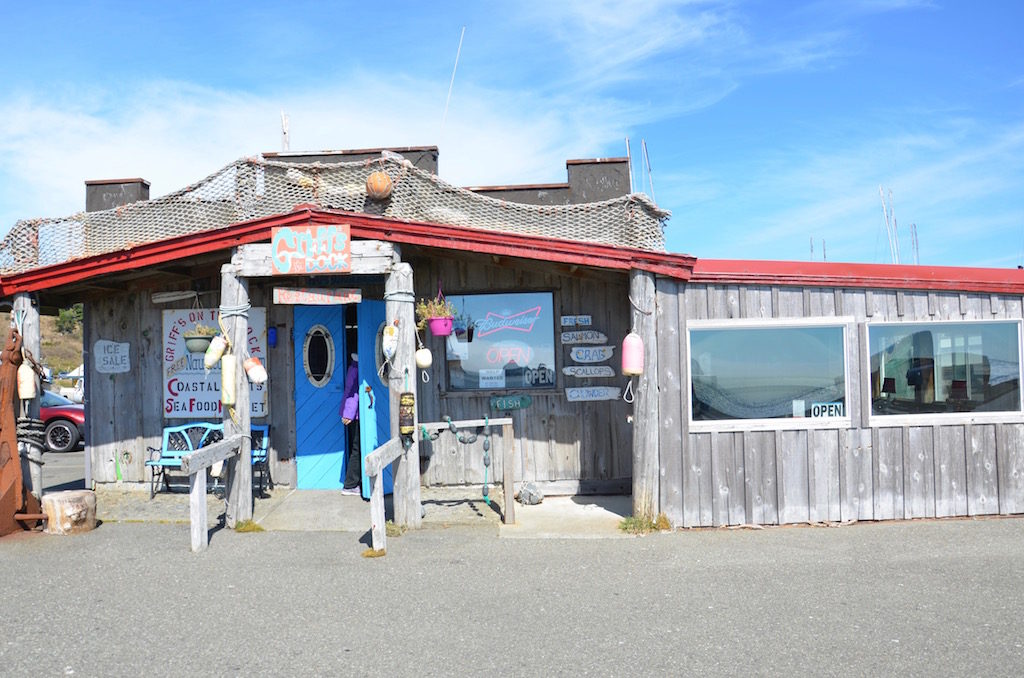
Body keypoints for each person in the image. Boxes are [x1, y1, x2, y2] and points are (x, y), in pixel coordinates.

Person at [340, 353, 361, 495]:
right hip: (356, 415)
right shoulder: (356, 368)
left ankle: (353, 483)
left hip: (356, 414)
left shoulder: (354, 367)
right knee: (357, 448)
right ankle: (350, 484)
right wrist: (349, 413)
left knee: (357, 447)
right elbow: (352, 392)